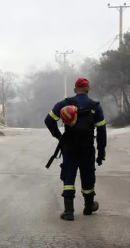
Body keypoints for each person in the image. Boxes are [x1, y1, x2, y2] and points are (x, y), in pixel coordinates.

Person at [44, 77, 107, 221]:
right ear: (88, 89)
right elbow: (101, 131)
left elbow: (48, 120)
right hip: (87, 148)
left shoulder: (64, 104)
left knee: (69, 175)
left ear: (74, 90)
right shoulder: (95, 106)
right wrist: (101, 151)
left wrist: (59, 136)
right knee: (88, 176)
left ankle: (68, 211)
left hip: (69, 147)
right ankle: (89, 206)